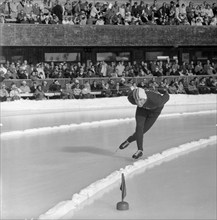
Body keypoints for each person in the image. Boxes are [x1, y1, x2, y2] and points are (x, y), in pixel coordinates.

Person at [118, 87, 170, 159]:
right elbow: (133, 92)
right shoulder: (131, 99)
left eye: (140, 100)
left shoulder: (157, 100)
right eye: (136, 101)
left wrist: (165, 92)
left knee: (143, 131)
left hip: (155, 112)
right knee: (139, 127)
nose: (139, 103)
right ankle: (140, 150)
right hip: (142, 110)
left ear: (144, 98)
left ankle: (128, 140)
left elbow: (167, 96)